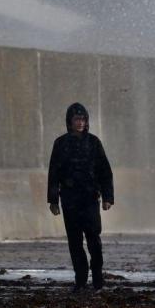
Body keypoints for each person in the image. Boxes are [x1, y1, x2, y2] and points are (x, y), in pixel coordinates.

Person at [47, 102, 114, 293]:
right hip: (69, 200)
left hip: (90, 199)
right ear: (69, 121)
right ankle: (80, 280)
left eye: (83, 119)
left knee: (94, 240)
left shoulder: (94, 143)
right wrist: (53, 200)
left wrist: (108, 197)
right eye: (77, 119)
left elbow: (105, 172)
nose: (80, 122)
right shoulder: (60, 144)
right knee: (75, 243)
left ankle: (98, 279)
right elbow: (54, 173)